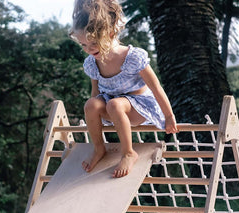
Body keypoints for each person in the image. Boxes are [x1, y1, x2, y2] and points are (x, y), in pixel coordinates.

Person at [70, 0, 178, 178]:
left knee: (114, 105)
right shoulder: (92, 63)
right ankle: (99, 148)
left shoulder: (132, 57)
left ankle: (129, 152)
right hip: (113, 108)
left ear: (110, 34)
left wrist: (168, 116)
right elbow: (95, 94)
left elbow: (156, 87)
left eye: (93, 44)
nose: (89, 50)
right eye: (83, 45)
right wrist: (95, 115)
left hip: (139, 108)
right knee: (91, 104)